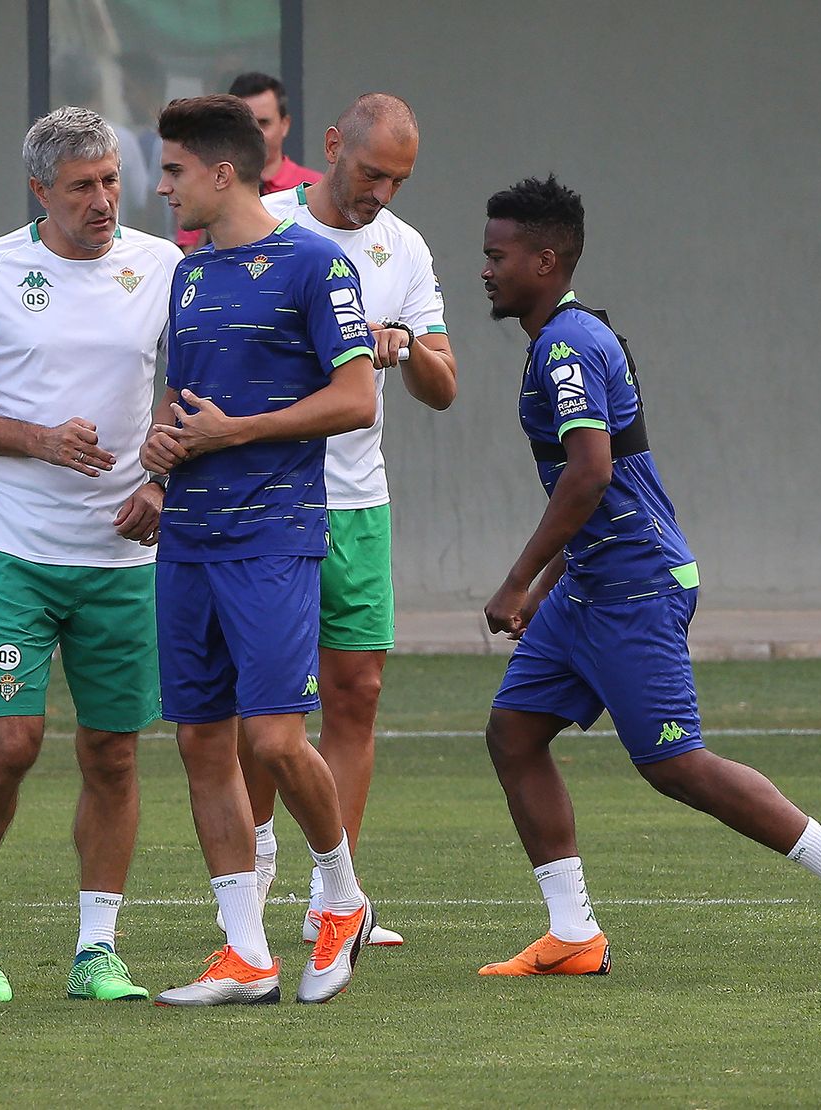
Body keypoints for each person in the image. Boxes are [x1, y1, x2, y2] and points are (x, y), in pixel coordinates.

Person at [478, 174, 821, 976]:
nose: (484, 269)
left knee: (675, 764)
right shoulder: (561, 339)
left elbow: (590, 474)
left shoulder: (569, 346)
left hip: (636, 581)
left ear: (545, 261)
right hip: (592, 583)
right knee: (513, 734)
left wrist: (516, 582)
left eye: (496, 255)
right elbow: (593, 488)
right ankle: (573, 935)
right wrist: (549, 593)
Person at [0, 106, 182, 1005]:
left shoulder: (162, 266)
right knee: (12, 742)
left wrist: (160, 485)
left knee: (113, 754)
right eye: (83, 186)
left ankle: (97, 949)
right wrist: (36, 439)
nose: (105, 199)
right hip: (13, 551)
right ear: (40, 191)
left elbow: (186, 388)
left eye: (112, 180)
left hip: (122, 559)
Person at [143, 95, 377, 1006]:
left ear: (222, 172)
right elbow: (187, 403)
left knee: (274, 738)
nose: (160, 188)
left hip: (274, 534)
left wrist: (236, 432)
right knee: (201, 740)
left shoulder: (316, 266)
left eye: (172, 172)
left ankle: (343, 897)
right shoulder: (187, 275)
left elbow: (358, 400)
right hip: (187, 539)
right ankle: (245, 953)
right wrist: (162, 452)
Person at [243, 93, 457, 949]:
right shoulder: (265, 227)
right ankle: (250, 875)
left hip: (358, 502)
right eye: (371, 173)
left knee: (356, 695)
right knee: (261, 703)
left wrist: (402, 344)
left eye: (398, 181)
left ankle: (337, 898)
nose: (382, 195)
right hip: (268, 495)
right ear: (332, 147)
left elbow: (445, 384)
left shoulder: (404, 249)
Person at [176, 72, 319, 253]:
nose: (255, 134)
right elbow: (190, 264)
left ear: (285, 124)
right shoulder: (204, 185)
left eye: (264, 123)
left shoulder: (314, 188)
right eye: (244, 125)